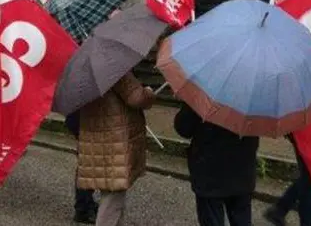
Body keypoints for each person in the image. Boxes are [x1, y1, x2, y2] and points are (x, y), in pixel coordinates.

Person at [77, 72, 155, 226]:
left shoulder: (85, 75)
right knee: (113, 197)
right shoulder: (117, 70)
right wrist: (149, 93)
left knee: (111, 191)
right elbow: (136, 98)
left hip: (95, 138)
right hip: (114, 139)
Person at [174, 103, 259, 226]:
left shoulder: (205, 93)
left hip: (210, 173)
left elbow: (183, 128)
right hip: (243, 171)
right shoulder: (254, 99)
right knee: (242, 218)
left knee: (211, 219)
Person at [264, 134, 311, 226]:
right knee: (309, 179)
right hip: (305, 133)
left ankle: (280, 210)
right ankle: (281, 210)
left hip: (307, 132)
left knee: (308, 178)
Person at [65, 112, 98, 224]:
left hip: (82, 123)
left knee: (87, 167)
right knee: (86, 169)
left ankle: (86, 204)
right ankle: (83, 208)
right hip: (85, 125)